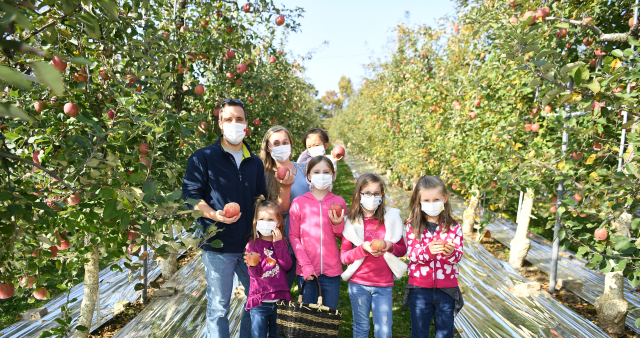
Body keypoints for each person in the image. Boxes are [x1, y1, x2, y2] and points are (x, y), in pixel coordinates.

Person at [182, 98, 267, 338]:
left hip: (250, 245)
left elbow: (261, 197)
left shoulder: (255, 162)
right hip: (218, 244)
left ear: (246, 124)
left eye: (239, 119)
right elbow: (191, 196)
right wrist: (213, 214)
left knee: (257, 300)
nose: (234, 123)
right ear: (220, 123)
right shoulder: (204, 157)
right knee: (219, 307)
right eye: (228, 119)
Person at [340, 173, 408, 338]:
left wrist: (390, 245)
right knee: (361, 327)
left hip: (383, 285)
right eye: (367, 193)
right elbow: (344, 257)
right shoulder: (351, 221)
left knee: (384, 331)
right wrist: (362, 249)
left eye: (377, 193)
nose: (372, 197)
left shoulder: (390, 218)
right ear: (358, 194)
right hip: (358, 284)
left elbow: (402, 249)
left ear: (382, 195)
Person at [404, 176, 464, 338]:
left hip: (447, 289)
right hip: (420, 288)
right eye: (427, 200)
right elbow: (413, 254)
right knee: (419, 331)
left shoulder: (453, 227)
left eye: (436, 199)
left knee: (445, 332)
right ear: (419, 201)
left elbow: (458, 256)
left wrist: (450, 252)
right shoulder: (413, 226)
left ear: (444, 199)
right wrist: (428, 251)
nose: (431, 204)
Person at [288, 156, 346, 311]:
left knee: (329, 316)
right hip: (307, 270)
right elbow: (294, 236)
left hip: (331, 271)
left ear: (333, 175)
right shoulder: (299, 203)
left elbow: (344, 237)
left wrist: (337, 224)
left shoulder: (339, 202)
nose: (322, 175)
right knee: (308, 317)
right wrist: (305, 265)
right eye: (317, 171)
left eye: (326, 172)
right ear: (308, 176)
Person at [259, 125, 309, 289]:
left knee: (308, 289)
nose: (281, 146)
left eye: (285, 142)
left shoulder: (303, 168)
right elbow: (279, 211)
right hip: (281, 242)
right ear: (268, 148)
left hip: (307, 238)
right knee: (279, 290)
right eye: (276, 143)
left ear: (291, 145)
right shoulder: (265, 175)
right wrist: (285, 187)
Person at [244, 197, 292, 338]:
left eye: (270, 220)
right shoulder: (252, 245)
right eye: (262, 219)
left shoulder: (282, 242)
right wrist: (252, 263)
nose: (266, 223)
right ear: (256, 222)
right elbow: (254, 275)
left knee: (278, 335)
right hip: (260, 302)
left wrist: (278, 244)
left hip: (279, 300)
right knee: (259, 335)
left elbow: (287, 265)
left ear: (278, 223)